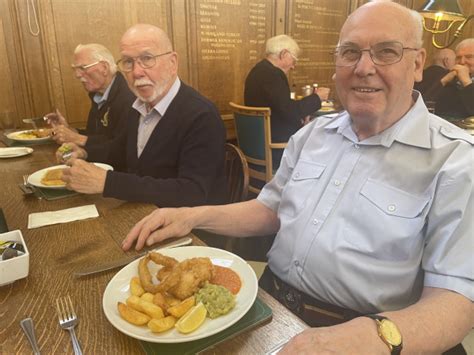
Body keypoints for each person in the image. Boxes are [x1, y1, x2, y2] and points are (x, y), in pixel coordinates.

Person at [122, 2, 473, 354]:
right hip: (267, 308)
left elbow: (457, 299)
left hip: (367, 332)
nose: (364, 68)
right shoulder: (312, 135)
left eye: (386, 52)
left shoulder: (456, 161)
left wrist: (374, 338)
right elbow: (271, 209)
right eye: (350, 52)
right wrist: (192, 215)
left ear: (416, 64)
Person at [57, 24, 227, 207]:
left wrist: (108, 182)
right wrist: (85, 152)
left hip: (188, 229)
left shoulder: (201, 115)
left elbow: (192, 192)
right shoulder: (137, 106)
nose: (137, 72)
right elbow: (119, 151)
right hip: (140, 211)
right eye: (128, 62)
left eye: (147, 58)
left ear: (173, 63)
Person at [244, 34, 330, 165]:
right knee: (323, 139)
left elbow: (281, 107)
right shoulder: (272, 75)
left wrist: (301, 117)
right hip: (276, 149)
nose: (293, 66)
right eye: (294, 60)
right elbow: (290, 110)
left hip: (257, 144)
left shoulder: (258, 70)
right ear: (283, 54)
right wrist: (317, 97)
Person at [46, 43, 135, 146]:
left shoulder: (128, 98)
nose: (77, 75)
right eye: (75, 69)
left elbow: (121, 149)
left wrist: (77, 138)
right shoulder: (98, 95)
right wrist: (70, 131)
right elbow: (96, 137)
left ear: (104, 68)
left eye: (83, 68)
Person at [435, 38, 474, 119]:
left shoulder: (465, 81)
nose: (462, 62)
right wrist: (444, 81)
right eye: (458, 58)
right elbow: (427, 104)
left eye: (469, 57)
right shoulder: (448, 79)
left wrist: (466, 82)